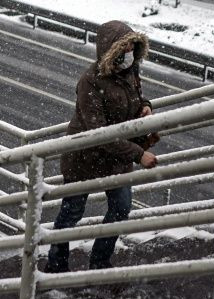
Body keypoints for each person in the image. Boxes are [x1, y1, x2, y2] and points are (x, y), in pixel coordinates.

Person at [47, 21, 159, 273]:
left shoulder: (130, 70)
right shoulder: (90, 81)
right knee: (71, 213)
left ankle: (100, 261)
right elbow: (99, 134)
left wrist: (145, 105)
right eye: (125, 45)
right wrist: (139, 154)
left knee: (121, 208)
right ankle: (55, 266)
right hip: (84, 158)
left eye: (133, 44)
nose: (131, 50)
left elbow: (135, 98)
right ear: (111, 49)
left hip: (116, 158)